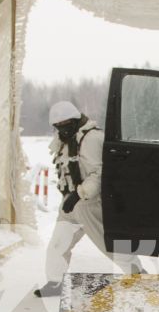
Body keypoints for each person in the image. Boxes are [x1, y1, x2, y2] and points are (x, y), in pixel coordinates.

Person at [35, 100, 128, 297]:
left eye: (66, 124)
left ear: (76, 120)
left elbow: (99, 174)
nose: (62, 129)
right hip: (71, 202)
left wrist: (79, 194)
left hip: (90, 202)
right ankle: (55, 282)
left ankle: (137, 274)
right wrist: (71, 197)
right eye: (58, 126)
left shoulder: (91, 138)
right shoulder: (65, 139)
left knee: (108, 244)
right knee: (58, 243)